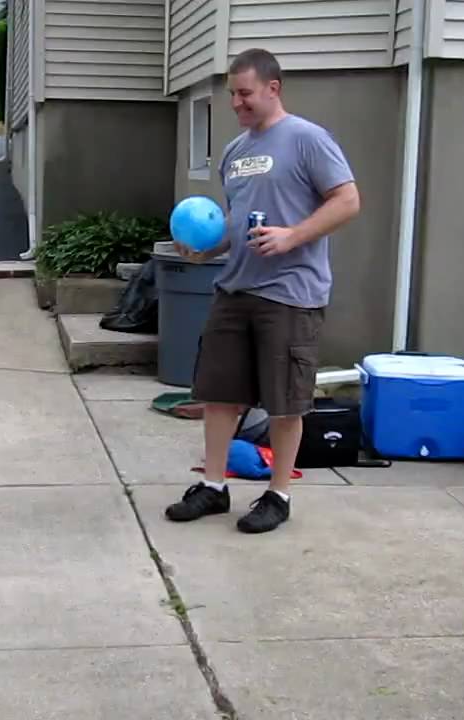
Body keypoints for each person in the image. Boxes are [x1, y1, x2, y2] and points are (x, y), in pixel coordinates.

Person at [165, 47, 361, 534]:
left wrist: (292, 235)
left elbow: (348, 200)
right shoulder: (235, 153)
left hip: (291, 293)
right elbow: (236, 221)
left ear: (273, 88)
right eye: (232, 94)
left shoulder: (307, 139)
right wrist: (206, 251)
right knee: (219, 394)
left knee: (284, 400)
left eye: (245, 93)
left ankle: (278, 494)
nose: (236, 103)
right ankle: (213, 487)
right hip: (236, 288)